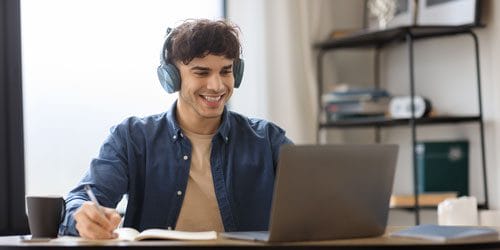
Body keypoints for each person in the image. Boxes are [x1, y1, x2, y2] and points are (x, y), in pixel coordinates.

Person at [59, 19, 292, 239]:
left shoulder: (268, 140)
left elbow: (317, 196)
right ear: (171, 77)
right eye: (201, 72)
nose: (217, 85)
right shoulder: (132, 138)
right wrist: (83, 216)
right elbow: (80, 199)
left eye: (225, 71)